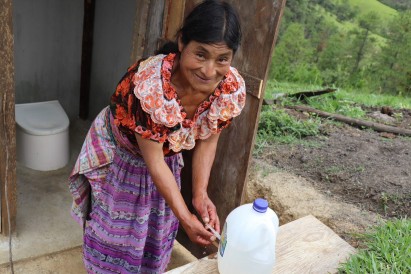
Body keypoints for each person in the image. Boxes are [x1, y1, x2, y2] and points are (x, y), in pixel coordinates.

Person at [68, 0, 245, 273]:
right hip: (123, 154)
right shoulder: (151, 86)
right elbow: (153, 161)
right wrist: (186, 217)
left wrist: (199, 195)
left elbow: (209, 139)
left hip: (164, 157)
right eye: (201, 54)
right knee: (116, 229)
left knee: (155, 229)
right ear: (183, 42)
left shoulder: (228, 89)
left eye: (222, 59)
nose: (210, 71)